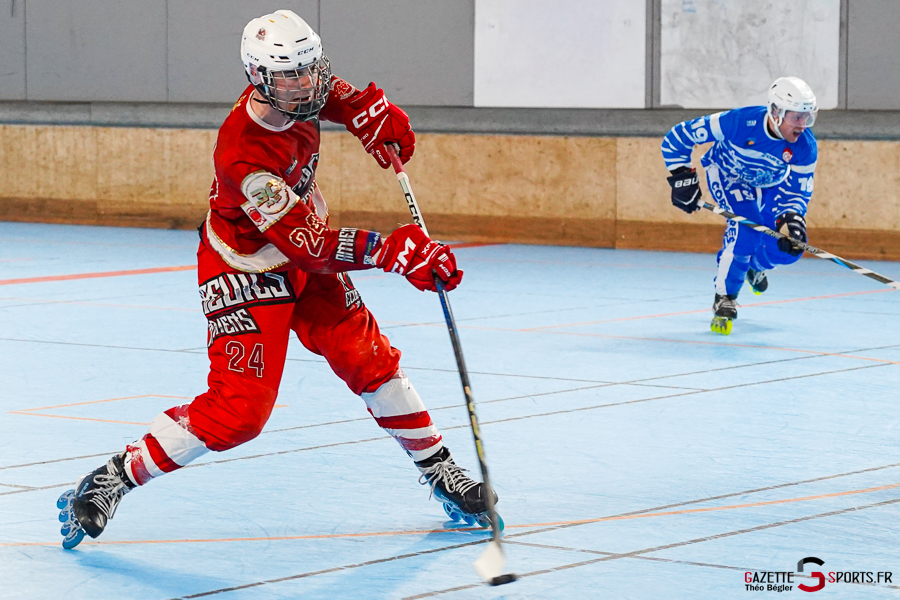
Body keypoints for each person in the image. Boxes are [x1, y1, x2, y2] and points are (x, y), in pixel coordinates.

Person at [57, 9, 498, 549]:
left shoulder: (303, 87)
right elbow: (310, 249)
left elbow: (332, 93)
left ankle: (440, 470)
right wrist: (394, 252)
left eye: (309, 69)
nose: (305, 83)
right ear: (259, 79)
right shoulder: (243, 153)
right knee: (239, 414)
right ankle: (112, 478)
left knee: (368, 357)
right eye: (289, 75)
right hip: (248, 270)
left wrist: (367, 111)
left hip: (302, 247)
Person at [661, 76, 818, 335]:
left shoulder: (805, 147)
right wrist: (681, 177)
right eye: (796, 117)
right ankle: (725, 296)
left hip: (771, 184)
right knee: (746, 232)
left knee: (790, 250)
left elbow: (797, 190)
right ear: (776, 112)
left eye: (807, 117)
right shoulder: (737, 122)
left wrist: (792, 216)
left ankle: (755, 266)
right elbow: (678, 137)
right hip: (728, 175)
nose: (802, 125)